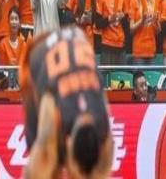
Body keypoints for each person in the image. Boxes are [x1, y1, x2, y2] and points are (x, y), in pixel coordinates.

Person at [20, 26, 113, 178]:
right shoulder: (53, 115)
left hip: (77, 40)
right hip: (39, 52)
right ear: (68, 143)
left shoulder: (104, 130)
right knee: (46, 165)